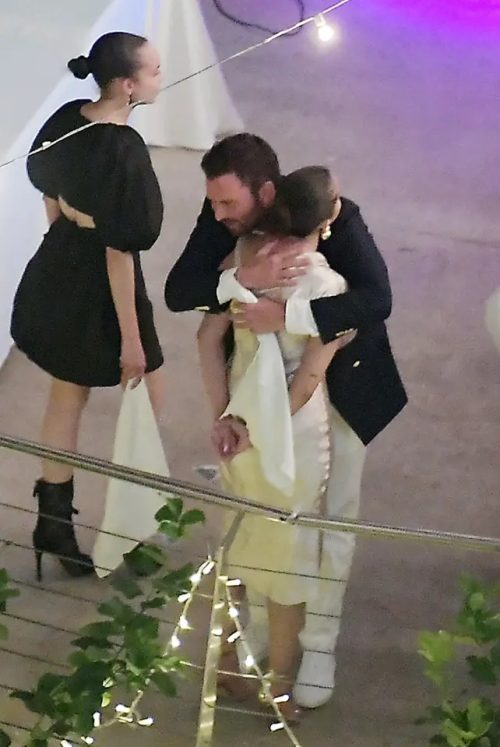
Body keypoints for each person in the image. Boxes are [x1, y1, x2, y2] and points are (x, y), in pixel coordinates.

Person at [165, 134, 408, 708]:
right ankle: (259, 632)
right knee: (257, 515)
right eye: (215, 203)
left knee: (332, 515)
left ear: (268, 193)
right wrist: (242, 280)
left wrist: (290, 315)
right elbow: (180, 291)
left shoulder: (334, 216)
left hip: (339, 388)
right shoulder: (226, 216)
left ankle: (319, 641)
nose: (218, 214)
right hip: (257, 392)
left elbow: (376, 299)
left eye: (229, 204)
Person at [198, 166, 357, 720]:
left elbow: (207, 337)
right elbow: (306, 382)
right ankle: (281, 687)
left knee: (234, 543)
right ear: (329, 218)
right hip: (291, 438)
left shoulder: (244, 261)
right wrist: (260, 426)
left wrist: (226, 417)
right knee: (289, 561)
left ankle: (224, 665)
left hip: (236, 428)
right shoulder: (327, 287)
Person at [10, 32, 165, 582]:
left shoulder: (66, 119)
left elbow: (50, 197)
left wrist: (65, 250)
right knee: (146, 394)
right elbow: (120, 252)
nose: (160, 77)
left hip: (59, 265)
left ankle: (54, 523)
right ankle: (133, 530)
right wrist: (132, 339)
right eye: (153, 71)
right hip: (101, 278)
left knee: (66, 396)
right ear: (128, 85)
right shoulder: (124, 150)